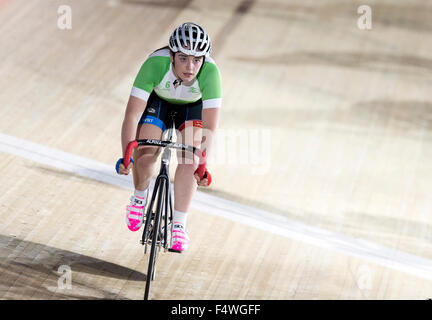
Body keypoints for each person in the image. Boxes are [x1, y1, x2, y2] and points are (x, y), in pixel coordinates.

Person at [116, 22, 222, 253]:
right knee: (144, 152)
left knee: (190, 160)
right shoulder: (155, 63)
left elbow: (210, 128)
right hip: (159, 103)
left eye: (196, 60)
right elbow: (132, 114)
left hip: (192, 109)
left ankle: (179, 226)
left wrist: (203, 166)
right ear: (172, 55)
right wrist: (126, 155)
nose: (190, 67)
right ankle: (139, 197)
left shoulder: (211, 73)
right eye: (183, 58)